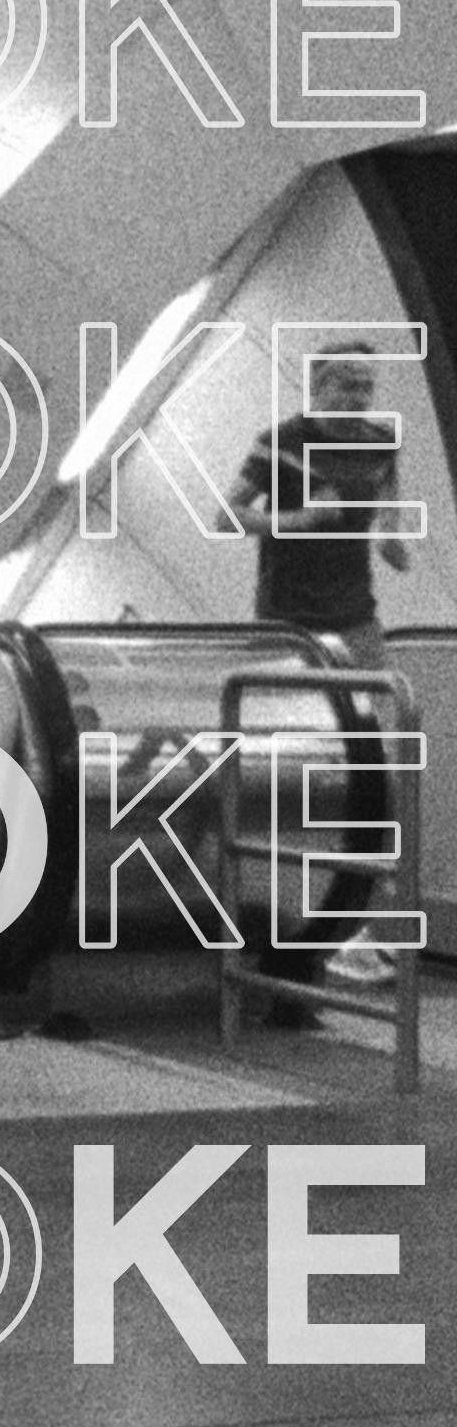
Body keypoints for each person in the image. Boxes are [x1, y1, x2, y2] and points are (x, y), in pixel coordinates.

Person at [224, 338, 412, 989]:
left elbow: (388, 505)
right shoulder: (280, 442)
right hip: (289, 624)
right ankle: (275, 912)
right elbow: (227, 514)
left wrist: (392, 540)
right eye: (346, 385)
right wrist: (299, 519)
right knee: (293, 767)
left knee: (379, 765)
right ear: (318, 388)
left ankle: (361, 925)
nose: (358, 396)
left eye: (366, 385)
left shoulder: (381, 442)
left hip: (355, 618)